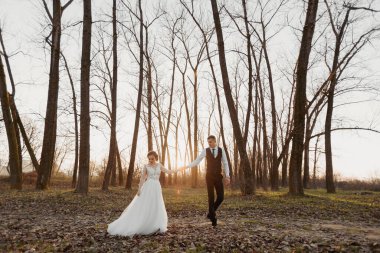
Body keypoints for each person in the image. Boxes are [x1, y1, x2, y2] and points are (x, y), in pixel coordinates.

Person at [107, 151, 185, 237]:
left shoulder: (159, 165)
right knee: (146, 204)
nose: (150, 160)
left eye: (152, 158)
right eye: (149, 159)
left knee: (156, 204)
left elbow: (169, 172)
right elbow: (142, 178)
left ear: (156, 158)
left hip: (156, 187)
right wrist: (139, 189)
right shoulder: (146, 166)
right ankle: (144, 223)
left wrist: (179, 169)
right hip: (148, 187)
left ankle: (155, 224)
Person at [181, 135, 230, 226]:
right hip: (209, 177)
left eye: (211, 142)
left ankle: (210, 213)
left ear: (215, 141)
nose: (209, 144)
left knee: (221, 197)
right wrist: (187, 166)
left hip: (219, 176)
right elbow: (197, 160)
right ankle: (213, 218)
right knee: (210, 197)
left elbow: (226, 163)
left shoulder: (221, 150)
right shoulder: (206, 151)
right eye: (208, 142)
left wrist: (227, 176)